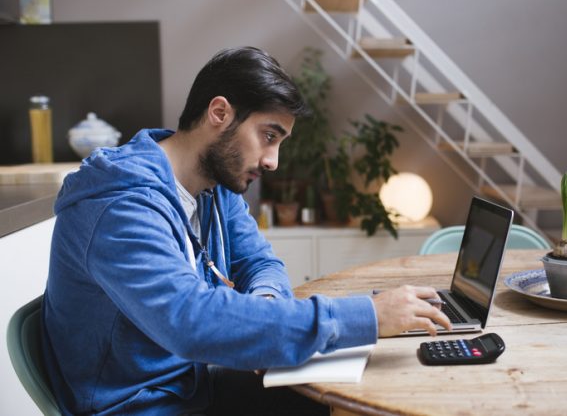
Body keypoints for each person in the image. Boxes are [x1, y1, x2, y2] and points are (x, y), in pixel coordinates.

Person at [41, 46, 451, 415]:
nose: (273, 161)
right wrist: (369, 315)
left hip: (192, 387)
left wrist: (267, 307)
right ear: (219, 113)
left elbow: (259, 261)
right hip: (141, 406)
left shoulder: (212, 188)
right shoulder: (122, 206)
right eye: (268, 136)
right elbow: (189, 321)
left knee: (358, 395)